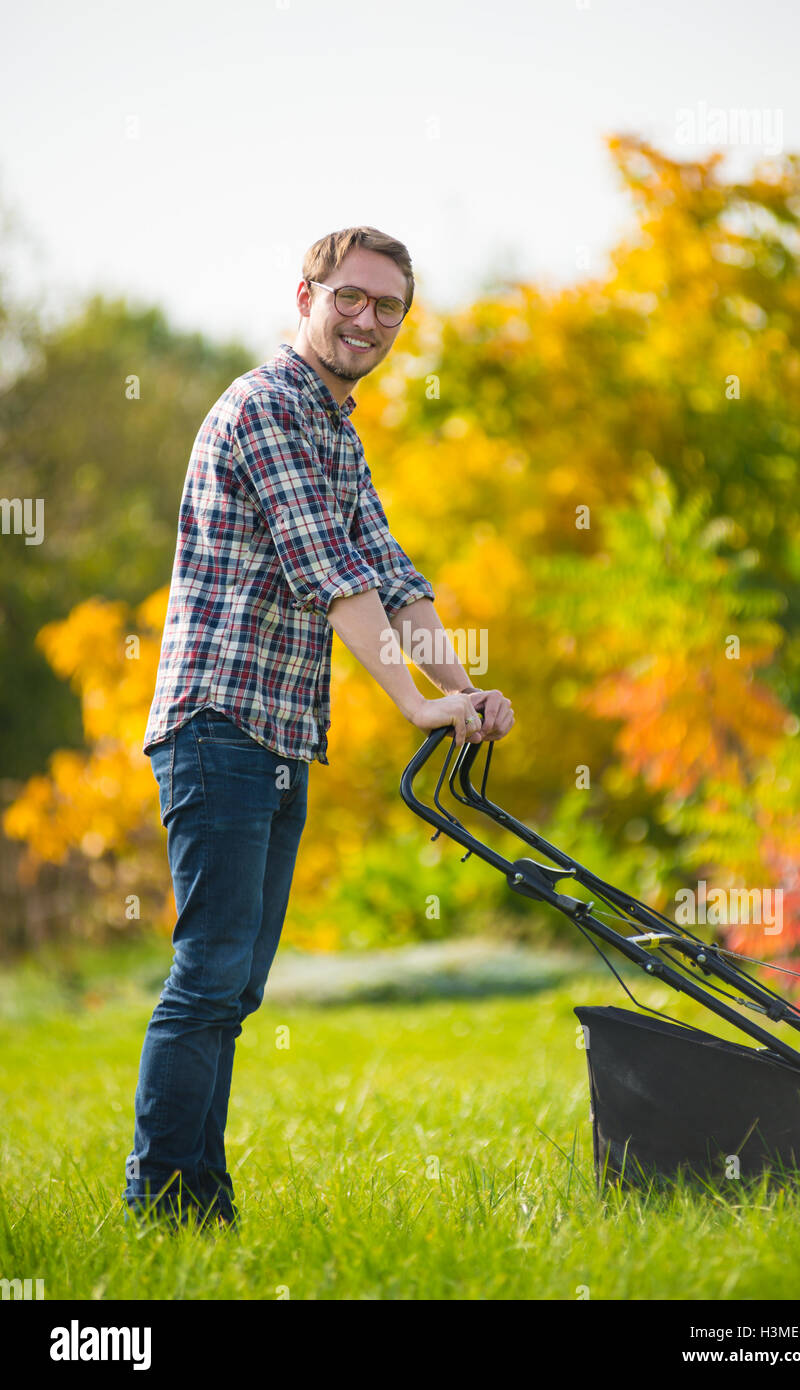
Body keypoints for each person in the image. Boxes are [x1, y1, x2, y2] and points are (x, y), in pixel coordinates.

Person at [123, 226, 515, 1229]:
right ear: (304, 294)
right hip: (218, 727)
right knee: (209, 974)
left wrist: (463, 691)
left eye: (388, 307)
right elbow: (328, 575)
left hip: (277, 739)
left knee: (234, 988)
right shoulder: (263, 409)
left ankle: (199, 1208)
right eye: (351, 296)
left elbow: (392, 575)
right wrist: (415, 703)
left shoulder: (336, 432)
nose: (368, 320)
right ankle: (162, 1206)